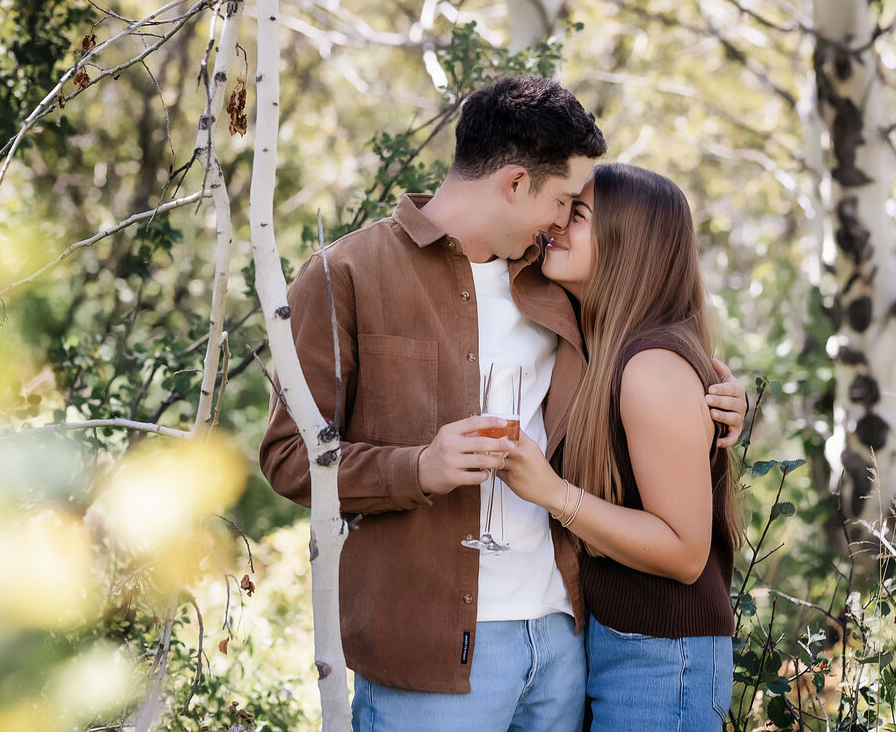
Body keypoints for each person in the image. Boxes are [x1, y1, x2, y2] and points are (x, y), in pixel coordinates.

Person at [259, 77, 746, 732]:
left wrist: (719, 404)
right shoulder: (344, 277)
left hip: (566, 641)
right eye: (564, 201)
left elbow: (648, 342)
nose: (562, 222)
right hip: (432, 655)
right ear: (515, 184)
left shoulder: (553, 287)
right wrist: (417, 468)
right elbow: (289, 458)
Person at [500, 162, 740, 730]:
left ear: (627, 243)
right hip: (617, 642)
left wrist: (556, 494)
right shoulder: (601, 345)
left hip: (663, 658)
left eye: (577, 215)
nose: (555, 225)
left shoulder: (650, 364)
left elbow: (684, 552)